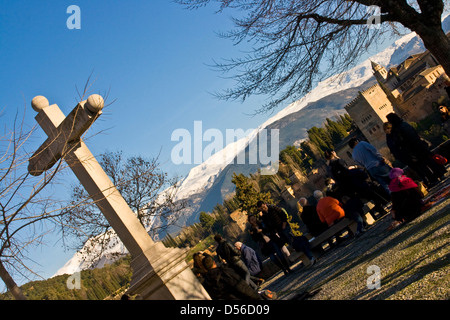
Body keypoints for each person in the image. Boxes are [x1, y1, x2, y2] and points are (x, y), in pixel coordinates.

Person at [386, 113, 447, 187]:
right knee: (429, 161)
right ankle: (440, 175)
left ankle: (433, 180)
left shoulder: (397, 129)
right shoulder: (405, 124)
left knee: (423, 166)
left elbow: (400, 142)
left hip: (412, 150)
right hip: (420, 145)